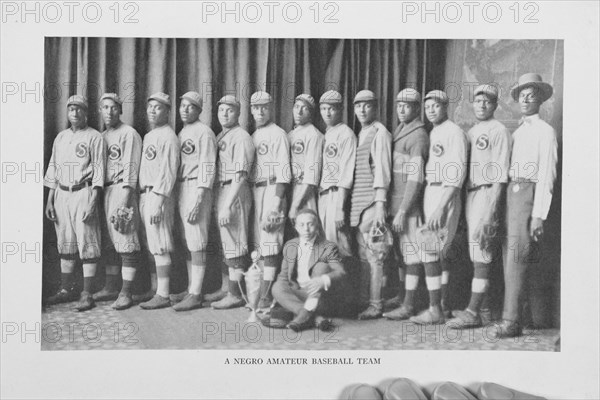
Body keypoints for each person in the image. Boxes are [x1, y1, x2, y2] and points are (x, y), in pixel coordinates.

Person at [495, 73, 557, 338]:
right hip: (512, 192)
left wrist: (538, 215)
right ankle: (528, 316)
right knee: (510, 256)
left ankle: (511, 321)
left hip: (529, 193)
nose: (526, 99)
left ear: (540, 99)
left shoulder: (546, 131)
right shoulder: (518, 132)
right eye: (522, 95)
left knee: (517, 257)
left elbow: (547, 174)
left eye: (532, 95)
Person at [447, 84, 511, 328]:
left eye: (488, 101)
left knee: (482, 250)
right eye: (478, 100)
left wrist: (491, 212)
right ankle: (483, 310)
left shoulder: (499, 130)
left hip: (487, 192)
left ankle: (473, 312)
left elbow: (500, 176)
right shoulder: (472, 131)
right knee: (475, 253)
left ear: (495, 105)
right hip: (471, 194)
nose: (482, 105)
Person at [409, 90, 468, 325]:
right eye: (428, 107)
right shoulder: (434, 132)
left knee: (430, 250)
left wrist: (441, 207)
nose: (431, 110)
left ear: (446, 106)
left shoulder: (454, 132)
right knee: (438, 251)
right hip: (431, 191)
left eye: (436, 106)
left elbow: (456, 173)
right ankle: (442, 304)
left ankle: (434, 309)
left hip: (445, 192)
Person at [43, 95, 105, 312]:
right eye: (71, 109)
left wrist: (93, 201)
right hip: (61, 193)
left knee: (87, 241)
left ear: (86, 113)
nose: (75, 113)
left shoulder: (94, 136)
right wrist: (50, 200)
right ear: (67, 113)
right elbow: (53, 168)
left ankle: (86, 293)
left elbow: (99, 170)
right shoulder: (60, 137)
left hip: (83, 192)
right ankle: (66, 289)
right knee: (65, 242)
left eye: (79, 109)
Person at [382, 89, 429, 321]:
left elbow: (415, 178)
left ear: (417, 108)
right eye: (399, 104)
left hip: (407, 206)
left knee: (411, 254)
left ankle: (409, 305)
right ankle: (402, 296)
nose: (401, 109)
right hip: (395, 203)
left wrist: (403, 210)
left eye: (407, 106)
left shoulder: (418, 135)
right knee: (401, 254)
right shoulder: (401, 130)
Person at [169, 91, 217, 311]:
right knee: (188, 240)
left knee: (197, 239)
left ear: (199, 110)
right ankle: (191, 289)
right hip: (181, 185)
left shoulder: (204, 132)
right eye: (182, 106)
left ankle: (196, 293)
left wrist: (199, 198)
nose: (185, 110)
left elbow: (208, 166)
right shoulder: (181, 132)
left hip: (196, 186)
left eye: (190, 106)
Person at [95, 93, 143, 310]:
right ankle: (111, 286)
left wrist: (124, 202)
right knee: (109, 241)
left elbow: (131, 168)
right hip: (104, 190)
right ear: (100, 110)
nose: (109, 111)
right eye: (105, 107)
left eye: (113, 107)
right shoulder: (102, 136)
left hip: (122, 189)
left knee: (125, 238)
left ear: (120, 110)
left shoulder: (129, 134)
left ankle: (126, 292)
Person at [348, 90, 392, 320]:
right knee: (363, 253)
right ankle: (367, 300)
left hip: (372, 202)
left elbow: (382, 170)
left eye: (367, 106)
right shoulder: (362, 132)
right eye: (358, 106)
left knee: (375, 254)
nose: (362, 110)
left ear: (375, 107)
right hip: (359, 201)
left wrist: (380, 205)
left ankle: (376, 304)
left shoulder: (380, 132)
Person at [209, 95, 255, 309]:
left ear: (238, 113)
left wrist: (228, 203)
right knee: (225, 242)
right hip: (221, 188)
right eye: (221, 110)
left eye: (230, 110)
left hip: (234, 190)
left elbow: (241, 173)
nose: (224, 114)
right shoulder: (221, 135)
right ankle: (226, 287)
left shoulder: (242, 136)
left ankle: (236, 294)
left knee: (235, 242)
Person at [137, 92, 180, 310]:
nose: (153, 111)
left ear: (167, 111)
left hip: (158, 194)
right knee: (151, 244)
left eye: (159, 107)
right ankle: (155, 289)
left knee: (161, 243)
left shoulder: (169, 136)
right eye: (150, 106)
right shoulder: (149, 136)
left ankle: (163, 294)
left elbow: (169, 171)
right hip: (146, 193)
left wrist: (160, 199)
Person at [272, 208, 347, 332]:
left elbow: (341, 272)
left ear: (317, 225)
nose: (306, 229)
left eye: (310, 224)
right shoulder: (290, 245)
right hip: (298, 294)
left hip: (320, 297)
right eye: (301, 225)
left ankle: (305, 315)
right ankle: (307, 314)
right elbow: (283, 277)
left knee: (321, 266)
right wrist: (279, 296)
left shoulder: (328, 246)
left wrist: (323, 280)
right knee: (277, 287)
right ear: (296, 227)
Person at [249, 91, 291, 309]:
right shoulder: (254, 135)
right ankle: (260, 293)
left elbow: (284, 172)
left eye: (264, 107)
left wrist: (276, 202)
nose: (260, 111)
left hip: (273, 189)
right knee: (261, 244)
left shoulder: (278, 134)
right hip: (257, 190)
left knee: (271, 242)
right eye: (256, 107)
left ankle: (268, 296)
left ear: (271, 108)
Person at [318, 90, 356, 259]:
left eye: (332, 108)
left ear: (340, 109)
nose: (327, 112)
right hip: (323, 194)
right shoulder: (326, 133)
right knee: (325, 244)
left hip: (336, 195)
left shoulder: (346, 133)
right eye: (324, 108)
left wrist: (340, 208)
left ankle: (344, 284)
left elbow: (346, 173)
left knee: (339, 245)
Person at [287, 94, 324, 224]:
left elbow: (311, 175)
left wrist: (295, 205)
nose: (299, 111)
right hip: (290, 189)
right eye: (296, 106)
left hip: (305, 191)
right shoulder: (291, 134)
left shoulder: (314, 135)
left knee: (307, 231)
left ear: (311, 114)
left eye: (305, 108)